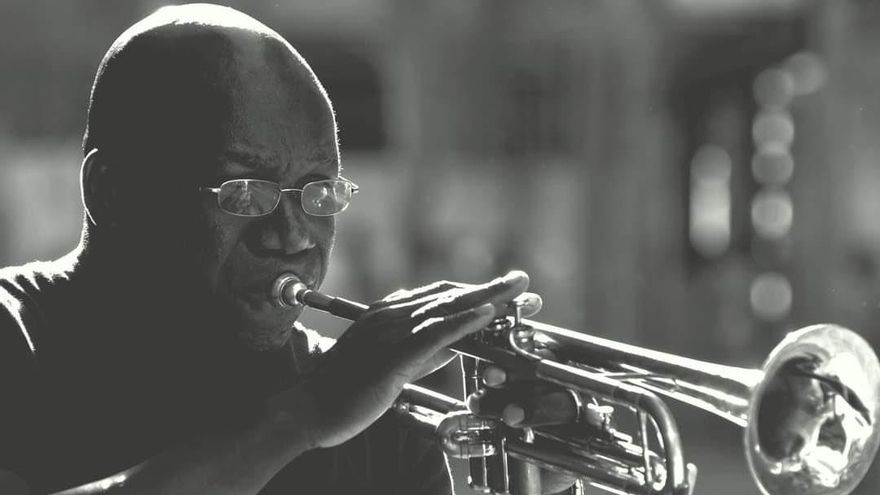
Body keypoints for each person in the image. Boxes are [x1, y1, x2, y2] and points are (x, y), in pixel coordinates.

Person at [0, 4, 575, 495]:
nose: (294, 236)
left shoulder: (375, 416)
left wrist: (537, 482)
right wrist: (298, 420)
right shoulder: (14, 334)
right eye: (245, 192)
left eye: (321, 192)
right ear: (116, 193)